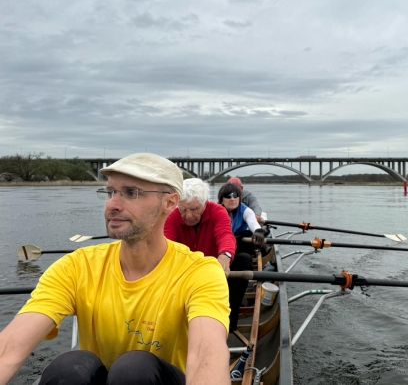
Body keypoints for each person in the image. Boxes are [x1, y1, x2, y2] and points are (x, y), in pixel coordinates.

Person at [0, 153, 230, 385]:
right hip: (106, 377)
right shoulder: (76, 266)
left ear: (169, 203)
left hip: (158, 377)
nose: (112, 204)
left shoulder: (200, 272)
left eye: (131, 193)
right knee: (68, 368)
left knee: (134, 369)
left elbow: (205, 355)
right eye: (110, 192)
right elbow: (9, 348)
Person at [164, 178, 260, 331]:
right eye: (183, 209)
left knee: (244, 260)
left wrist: (225, 257)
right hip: (185, 267)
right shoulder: (172, 215)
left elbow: (225, 235)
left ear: (205, 203)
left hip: (213, 265)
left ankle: (230, 319)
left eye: (194, 209)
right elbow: (166, 243)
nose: (188, 215)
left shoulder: (217, 211)